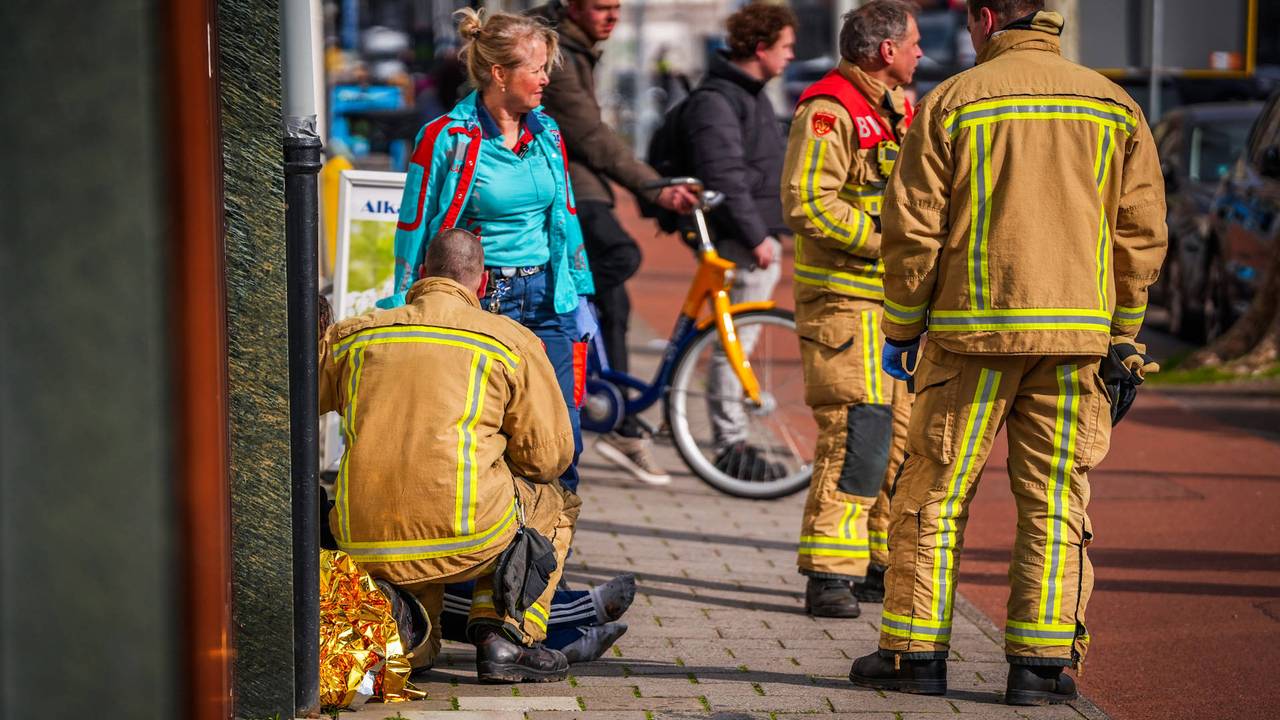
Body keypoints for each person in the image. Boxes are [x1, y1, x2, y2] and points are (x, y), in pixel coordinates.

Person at [848, 0, 1166, 705]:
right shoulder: (1115, 107)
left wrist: (902, 328)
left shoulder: (953, 102)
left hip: (972, 336)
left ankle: (915, 656)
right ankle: (1040, 668)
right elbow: (1139, 233)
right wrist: (1123, 337)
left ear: (987, 18)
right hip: (1077, 342)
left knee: (934, 492)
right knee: (1055, 498)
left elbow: (914, 229)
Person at [321, 228, 581, 682]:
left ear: (421, 274)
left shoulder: (353, 336)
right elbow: (548, 458)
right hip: (468, 535)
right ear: (482, 282)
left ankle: (406, 635)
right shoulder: (509, 341)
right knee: (556, 500)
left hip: (363, 535)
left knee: (413, 632)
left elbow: (298, 402)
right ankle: (503, 633)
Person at [380, 8, 593, 495]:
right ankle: (493, 541)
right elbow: (413, 225)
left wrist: (579, 292)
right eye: (536, 69)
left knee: (562, 439)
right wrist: (401, 300)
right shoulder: (445, 138)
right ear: (500, 74)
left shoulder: (548, 133)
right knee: (486, 437)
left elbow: (566, 214)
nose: (545, 79)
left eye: (545, 68)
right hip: (481, 300)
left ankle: (553, 542)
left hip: (548, 298)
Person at [779, 0, 921, 618]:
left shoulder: (898, 108)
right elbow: (807, 202)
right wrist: (885, 241)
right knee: (859, 431)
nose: (921, 53)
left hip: (892, 303)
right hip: (844, 300)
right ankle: (830, 573)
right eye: (913, 43)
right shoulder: (828, 110)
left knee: (899, 440)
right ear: (886, 51)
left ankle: (874, 563)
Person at [530, 0, 699, 486]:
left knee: (616, 305)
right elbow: (591, 136)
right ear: (572, 7)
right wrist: (653, 189)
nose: (613, 17)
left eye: (617, 7)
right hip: (566, 187)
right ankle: (553, 320)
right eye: (601, 7)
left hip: (581, 184)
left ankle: (619, 419)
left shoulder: (578, 47)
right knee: (618, 256)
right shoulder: (557, 54)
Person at [678, 2, 795, 478]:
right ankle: (731, 443)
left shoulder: (748, 94)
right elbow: (725, 174)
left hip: (754, 239)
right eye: (786, 46)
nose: (791, 56)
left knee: (737, 339)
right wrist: (755, 235)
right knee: (734, 342)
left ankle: (733, 437)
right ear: (761, 48)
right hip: (742, 244)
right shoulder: (720, 100)